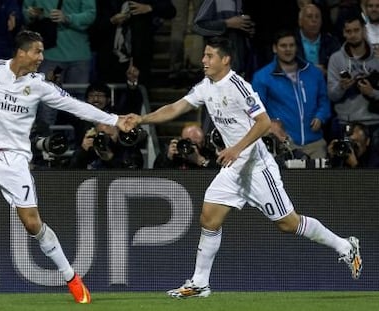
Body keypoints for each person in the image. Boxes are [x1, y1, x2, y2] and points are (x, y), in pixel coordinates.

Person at [124, 36, 362, 298]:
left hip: (257, 167)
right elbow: (176, 107)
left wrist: (236, 148)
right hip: (233, 168)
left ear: (225, 59)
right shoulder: (206, 86)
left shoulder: (238, 86)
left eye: (209, 56)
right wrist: (143, 118)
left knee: (288, 223)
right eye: (204, 55)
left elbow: (263, 123)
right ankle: (199, 282)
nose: (203, 60)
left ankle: (344, 245)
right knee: (209, 218)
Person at [0, 30, 128, 304]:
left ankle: (71, 277)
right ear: (22, 52)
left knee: (31, 224)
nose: (42, 57)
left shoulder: (39, 85)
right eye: (38, 52)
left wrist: (114, 119)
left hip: (15, 161)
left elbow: (77, 107)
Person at [252, 29, 331, 159]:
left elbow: (324, 100)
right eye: (283, 46)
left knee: (319, 179)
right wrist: (272, 124)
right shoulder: (262, 77)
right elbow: (256, 111)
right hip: (283, 145)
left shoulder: (313, 72)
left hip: (315, 143)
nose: (288, 49)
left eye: (291, 45)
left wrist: (320, 116)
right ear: (275, 48)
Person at [22, 0, 96, 125]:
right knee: (47, 102)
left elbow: (91, 14)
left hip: (78, 56)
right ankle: (44, 141)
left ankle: (79, 143)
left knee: (78, 104)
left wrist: (68, 18)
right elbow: (25, 10)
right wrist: (30, 14)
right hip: (51, 56)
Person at [327, 14, 379, 148]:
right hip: (346, 123)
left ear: (364, 30)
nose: (353, 35)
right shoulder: (336, 59)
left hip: (375, 123)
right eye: (349, 31)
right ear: (344, 33)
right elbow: (332, 95)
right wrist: (342, 87)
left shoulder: (377, 58)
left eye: (356, 30)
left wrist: (372, 92)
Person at [295, 3, 341, 77]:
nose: (314, 20)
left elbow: (340, 68)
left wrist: (325, 72)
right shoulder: (291, 41)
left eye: (317, 17)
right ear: (300, 21)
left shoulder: (331, 41)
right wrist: (309, 69)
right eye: (309, 17)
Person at [153, 124, 219, 169]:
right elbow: (156, 176)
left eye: (197, 144)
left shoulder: (208, 154)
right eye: (188, 142)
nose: (192, 147)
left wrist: (201, 161)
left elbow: (218, 174)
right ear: (180, 139)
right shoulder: (172, 153)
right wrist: (168, 159)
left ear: (203, 143)